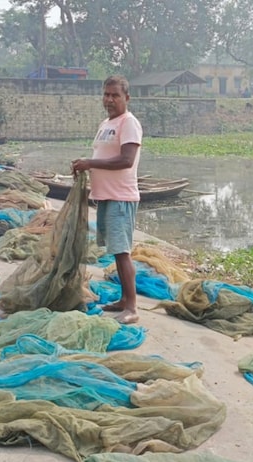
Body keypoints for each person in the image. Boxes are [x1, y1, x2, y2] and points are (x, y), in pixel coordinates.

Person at [72, 75, 143, 325]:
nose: (109, 99)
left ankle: (132, 307)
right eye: (106, 94)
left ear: (127, 98)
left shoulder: (129, 123)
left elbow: (126, 160)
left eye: (115, 95)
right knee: (116, 250)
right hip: (106, 197)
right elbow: (104, 154)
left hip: (121, 197)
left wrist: (90, 163)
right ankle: (124, 300)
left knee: (122, 252)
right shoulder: (106, 123)